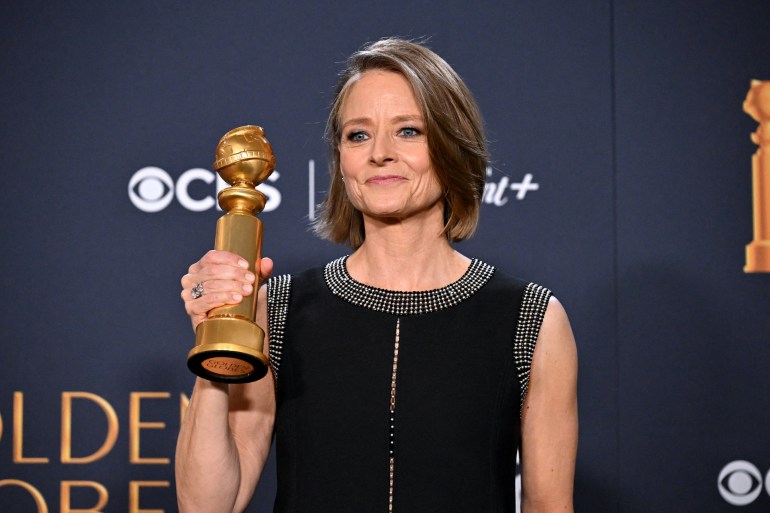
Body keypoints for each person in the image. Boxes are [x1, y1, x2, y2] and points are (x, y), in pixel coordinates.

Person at [177, 38, 578, 513]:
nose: (380, 154)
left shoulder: (532, 320)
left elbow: (548, 505)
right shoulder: (278, 309)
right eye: (358, 135)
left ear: (452, 146)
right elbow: (208, 506)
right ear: (341, 161)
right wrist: (214, 347)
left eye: (408, 131)